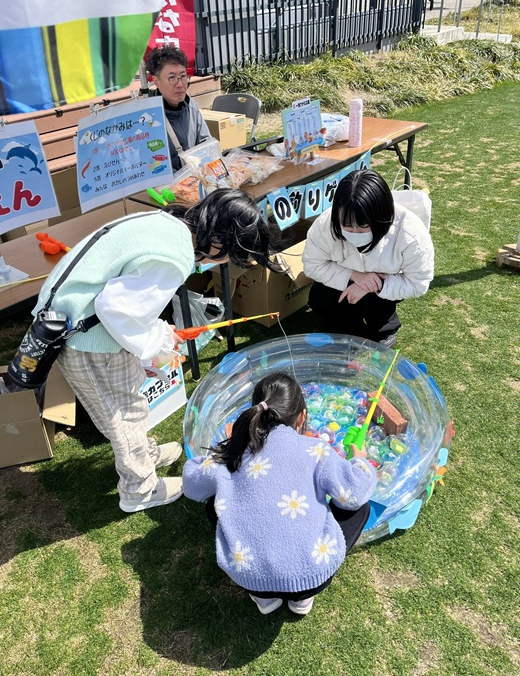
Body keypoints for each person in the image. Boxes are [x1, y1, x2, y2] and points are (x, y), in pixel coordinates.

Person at [30, 189, 280, 513]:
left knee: (130, 401)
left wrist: (154, 332)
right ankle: (140, 489)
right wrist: (155, 342)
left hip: (79, 315)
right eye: (231, 255)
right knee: (122, 415)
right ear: (219, 240)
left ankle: (143, 453)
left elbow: (125, 297)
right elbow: (115, 309)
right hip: (87, 336)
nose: (225, 262)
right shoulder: (174, 257)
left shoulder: (170, 223)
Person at [182, 372, 376, 616]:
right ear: (302, 417)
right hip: (312, 574)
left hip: (249, 576)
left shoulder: (236, 452)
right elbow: (356, 491)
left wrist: (228, 445)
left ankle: (265, 599)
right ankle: (302, 600)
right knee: (360, 507)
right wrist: (360, 461)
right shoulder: (316, 450)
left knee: (213, 502)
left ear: (255, 413)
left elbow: (191, 485)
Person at [302, 169, 434, 348]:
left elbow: (418, 283)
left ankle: (384, 328)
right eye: (347, 225)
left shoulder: (411, 234)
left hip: (386, 280)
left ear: (381, 216)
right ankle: (345, 324)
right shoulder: (325, 225)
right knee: (320, 298)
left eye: (363, 225)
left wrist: (373, 285)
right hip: (346, 273)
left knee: (376, 303)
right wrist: (355, 276)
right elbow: (312, 265)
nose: (355, 232)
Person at [145, 46, 212, 171]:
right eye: (172, 78)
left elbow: (206, 143)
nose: (180, 84)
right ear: (156, 81)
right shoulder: (148, 117)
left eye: (183, 76)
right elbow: (152, 165)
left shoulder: (190, 104)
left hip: (196, 176)